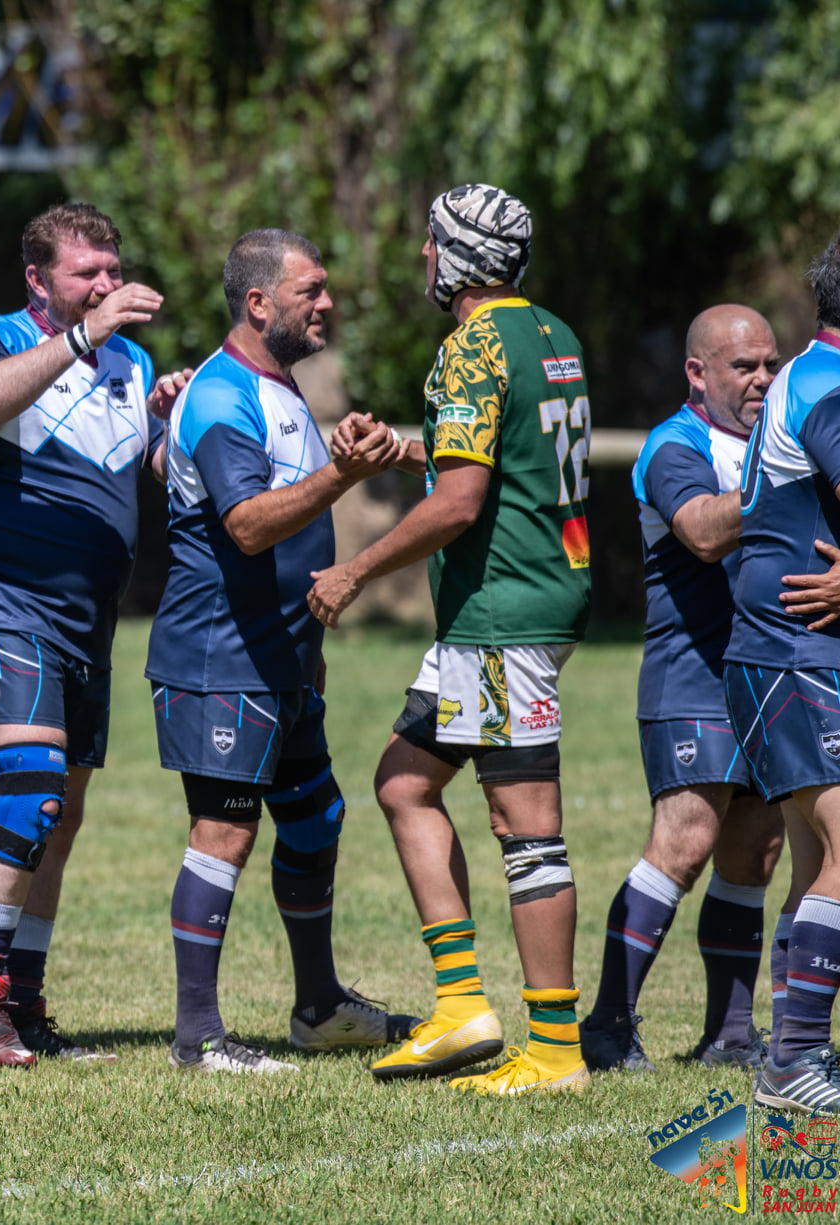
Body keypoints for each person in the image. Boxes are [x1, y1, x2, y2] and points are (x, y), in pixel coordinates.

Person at [308, 184, 593, 1096]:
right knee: (402, 779)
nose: (422, 259)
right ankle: (462, 1006)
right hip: (528, 601)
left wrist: (354, 572)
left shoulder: (469, 347)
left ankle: (553, 1047)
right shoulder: (551, 333)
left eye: (431, 245)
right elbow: (505, 462)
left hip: (501, 616)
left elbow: (464, 502)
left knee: (525, 827)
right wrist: (415, 452)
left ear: (458, 256)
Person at [0, 202, 193, 1066]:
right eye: (87, 274)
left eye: (112, 270)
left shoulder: (130, 358)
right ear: (39, 280)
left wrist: (170, 419)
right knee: (29, 787)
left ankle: (25, 999)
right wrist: (81, 339)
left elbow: (142, 467)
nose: (107, 286)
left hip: (85, 625)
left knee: (61, 813)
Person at [146, 228, 412, 1076]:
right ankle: (198, 1037)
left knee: (315, 817)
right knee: (222, 833)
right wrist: (341, 474)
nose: (325, 303)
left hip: (280, 661)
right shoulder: (226, 395)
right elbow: (249, 524)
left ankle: (317, 1006)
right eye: (311, 290)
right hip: (219, 657)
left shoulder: (275, 387)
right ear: (259, 303)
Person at [580, 306, 786, 1072]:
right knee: (684, 842)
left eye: (769, 364)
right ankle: (606, 1023)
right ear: (697, 373)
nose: (761, 379)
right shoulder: (676, 444)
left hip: (767, 673)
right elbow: (701, 530)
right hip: (692, 675)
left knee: (753, 850)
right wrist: (786, 481)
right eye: (743, 367)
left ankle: (728, 1033)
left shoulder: (774, 441)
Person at [722, 225, 840, 1113]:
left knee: (816, 860)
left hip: (789, 652)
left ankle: (789, 1052)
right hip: (796, 650)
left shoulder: (816, 373)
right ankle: (791, 1063)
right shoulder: (830, 389)